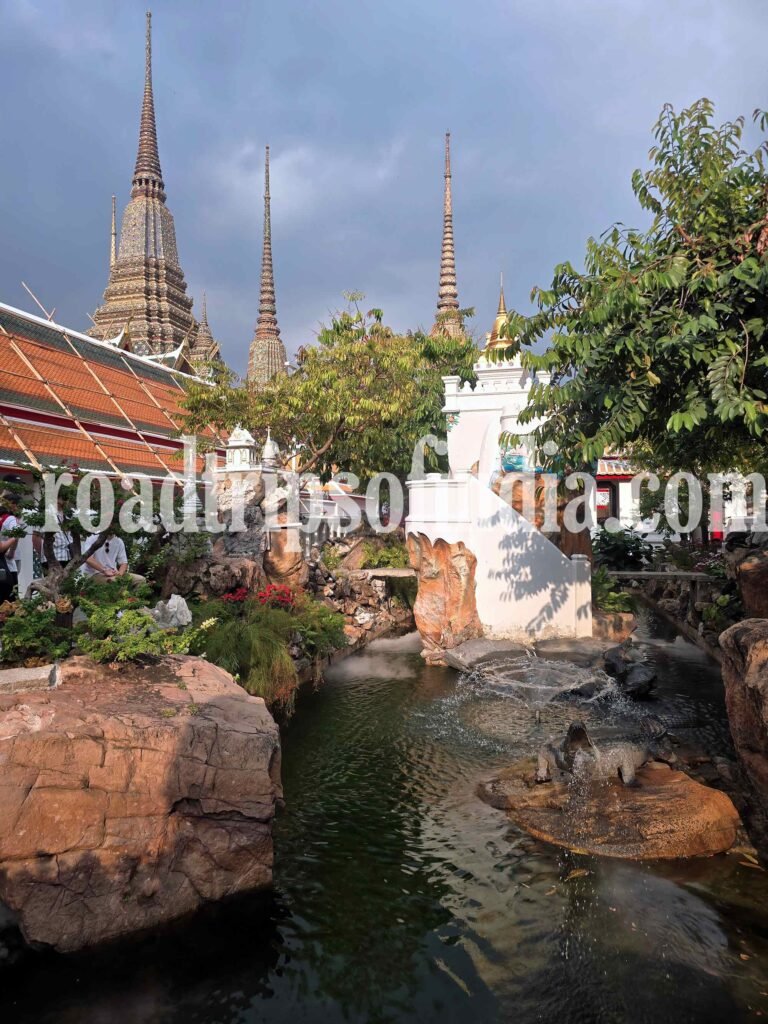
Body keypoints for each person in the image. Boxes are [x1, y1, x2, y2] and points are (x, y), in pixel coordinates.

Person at [0, 493, 21, 603]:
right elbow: (16, 534)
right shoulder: (11, 519)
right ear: (13, 504)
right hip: (6, 565)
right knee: (10, 600)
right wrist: (11, 551)